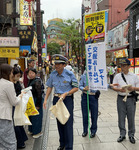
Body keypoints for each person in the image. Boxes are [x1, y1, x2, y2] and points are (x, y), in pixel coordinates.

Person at [43, 54, 78, 150]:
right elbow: (50, 87)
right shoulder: (53, 74)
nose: (57, 66)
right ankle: (62, 143)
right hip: (57, 100)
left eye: (59, 64)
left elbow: (76, 88)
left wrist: (66, 93)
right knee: (60, 123)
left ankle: (69, 146)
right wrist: (45, 99)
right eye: (55, 64)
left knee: (68, 123)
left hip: (67, 100)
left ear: (64, 65)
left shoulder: (69, 74)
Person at [112, 58, 139, 144]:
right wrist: (119, 89)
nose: (123, 67)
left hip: (131, 99)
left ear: (129, 66)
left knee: (131, 117)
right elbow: (114, 87)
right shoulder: (117, 76)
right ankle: (122, 134)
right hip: (121, 98)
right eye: (122, 66)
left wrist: (133, 88)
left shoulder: (134, 76)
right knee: (121, 117)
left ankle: (131, 135)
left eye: (125, 66)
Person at [0, 64, 22, 149]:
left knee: (1, 143)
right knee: (11, 142)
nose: (12, 74)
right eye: (12, 72)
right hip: (4, 116)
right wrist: (20, 96)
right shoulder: (8, 84)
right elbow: (14, 102)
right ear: (8, 72)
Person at [79, 70, 100, 138]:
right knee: (85, 115)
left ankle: (93, 130)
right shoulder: (84, 75)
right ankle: (85, 130)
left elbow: (102, 84)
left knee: (94, 115)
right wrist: (84, 88)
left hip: (94, 96)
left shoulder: (97, 74)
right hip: (85, 96)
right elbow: (80, 85)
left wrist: (110, 85)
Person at [12, 66, 28, 149]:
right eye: (17, 75)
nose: (19, 77)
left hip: (17, 105)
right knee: (17, 124)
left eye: (19, 76)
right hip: (14, 105)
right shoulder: (11, 83)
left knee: (17, 124)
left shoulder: (16, 83)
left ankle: (21, 142)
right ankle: (21, 141)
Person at [27, 68, 43, 139]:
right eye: (29, 73)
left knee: (36, 117)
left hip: (36, 100)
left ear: (35, 74)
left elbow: (39, 93)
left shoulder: (37, 81)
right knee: (31, 116)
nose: (30, 75)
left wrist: (38, 105)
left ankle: (37, 132)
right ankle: (31, 130)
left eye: (32, 73)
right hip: (31, 100)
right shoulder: (31, 80)